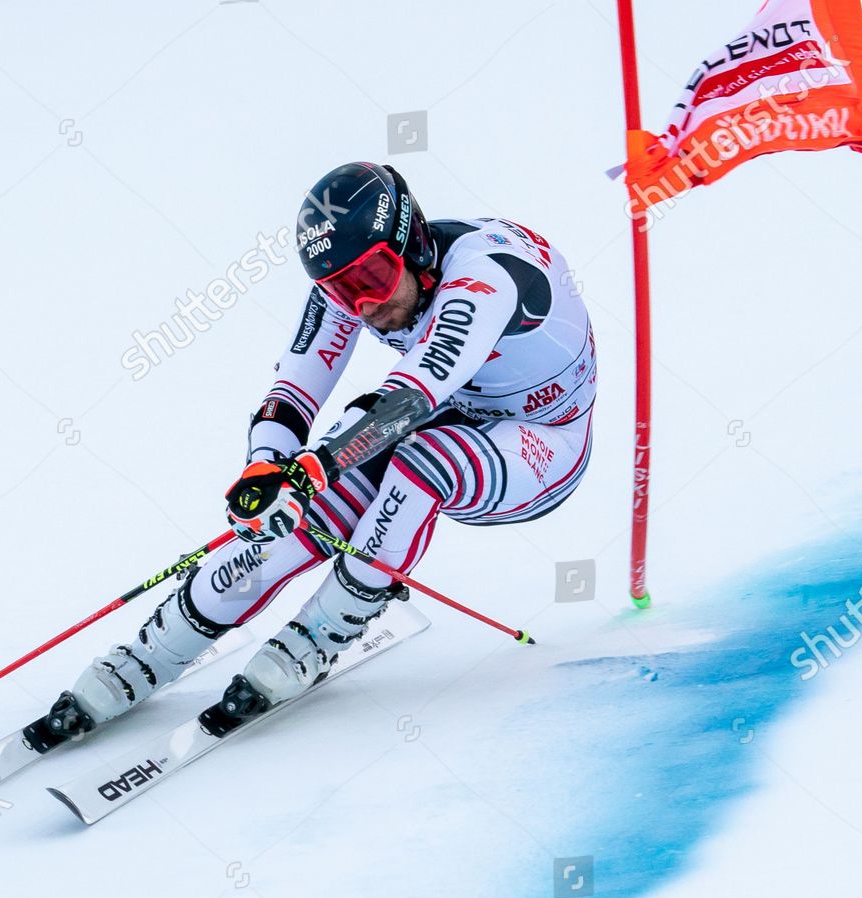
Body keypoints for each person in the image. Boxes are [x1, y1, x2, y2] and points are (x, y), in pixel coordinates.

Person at [44, 161, 597, 739]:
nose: (363, 306)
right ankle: (155, 650)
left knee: (420, 462)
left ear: (411, 245)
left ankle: (324, 631)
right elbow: (297, 388)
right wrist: (267, 464)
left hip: (543, 437)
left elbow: (408, 397)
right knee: (304, 514)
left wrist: (309, 469)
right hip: (450, 409)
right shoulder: (362, 278)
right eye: (340, 290)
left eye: (375, 278)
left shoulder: (483, 280)